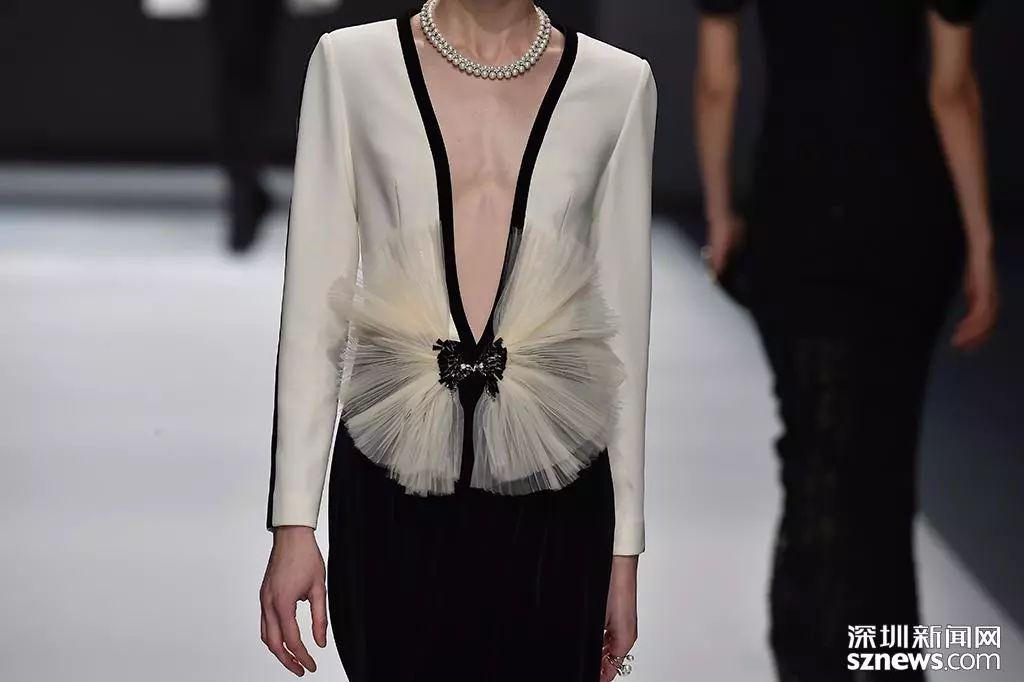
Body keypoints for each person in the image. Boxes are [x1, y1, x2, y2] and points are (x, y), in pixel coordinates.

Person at [259, 2, 657, 680]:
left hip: (556, 477)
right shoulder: (351, 66)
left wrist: (624, 553)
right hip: (393, 467)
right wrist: (293, 521)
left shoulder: (617, 84)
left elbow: (621, 340)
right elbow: (313, 307)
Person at [693, 0, 998, 679]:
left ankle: (814, 661)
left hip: (796, 210)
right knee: (884, 469)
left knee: (817, 459)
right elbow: (952, 90)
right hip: (907, 217)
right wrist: (981, 243)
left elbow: (718, 80)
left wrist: (719, 217)